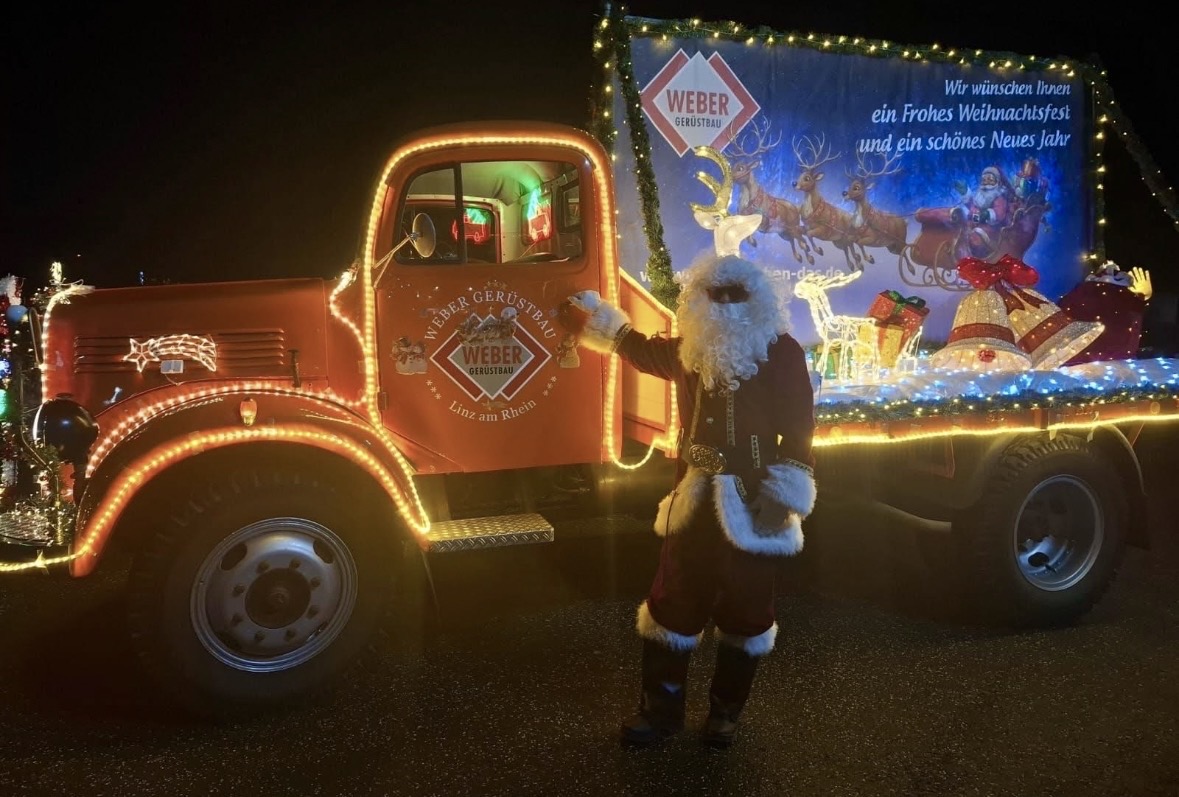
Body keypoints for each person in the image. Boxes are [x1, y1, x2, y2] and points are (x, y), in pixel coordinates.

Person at [557, 253, 817, 748]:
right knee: (673, 601)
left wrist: (785, 494)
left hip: (755, 503)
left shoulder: (782, 351)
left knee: (747, 610)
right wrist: (592, 316)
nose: (723, 305)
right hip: (693, 500)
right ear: (697, 301)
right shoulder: (689, 350)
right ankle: (660, 713)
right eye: (713, 296)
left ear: (756, 299)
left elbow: (800, 427)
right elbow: (630, 345)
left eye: (734, 295)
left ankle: (725, 715)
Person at [950, 165, 1013, 258]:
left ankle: (978, 255)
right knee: (961, 229)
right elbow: (972, 206)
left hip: (992, 227)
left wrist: (988, 214)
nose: (987, 182)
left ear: (997, 182)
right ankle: (959, 249)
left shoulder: (999, 196)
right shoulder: (980, 194)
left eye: (990, 179)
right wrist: (965, 193)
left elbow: (1000, 212)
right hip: (975, 221)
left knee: (977, 236)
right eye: (985, 179)